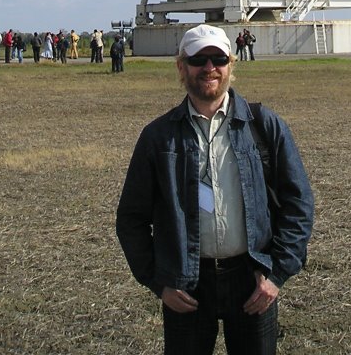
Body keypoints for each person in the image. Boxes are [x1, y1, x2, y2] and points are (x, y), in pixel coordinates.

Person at [116, 23, 314, 355]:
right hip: (188, 283)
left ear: (230, 64)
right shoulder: (158, 138)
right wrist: (158, 281)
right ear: (181, 67)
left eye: (218, 59)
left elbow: (299, 204)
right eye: (198, 60)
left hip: (251, 279)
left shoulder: (263, 126)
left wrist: (276, 274)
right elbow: (131, 219)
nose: (209, 68)